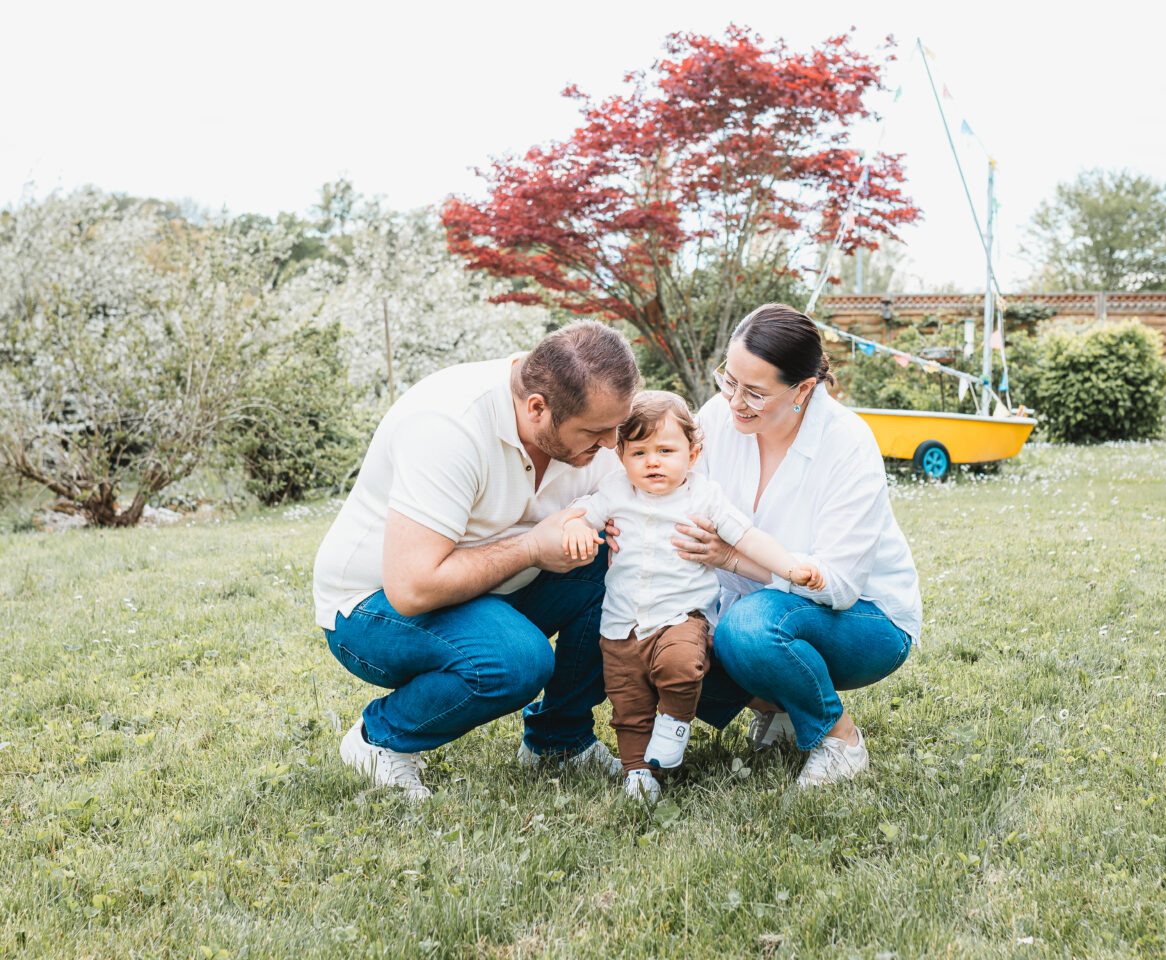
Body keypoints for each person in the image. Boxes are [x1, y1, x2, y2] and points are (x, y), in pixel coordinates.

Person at [312, 321, 640, 801]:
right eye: (595, 432)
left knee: (615, 556)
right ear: (537, 409)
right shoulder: (448, 424)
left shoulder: (588, 422)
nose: (611, 444)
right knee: (517, 660)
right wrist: (532, 548)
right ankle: (379, 738)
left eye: (617, 427)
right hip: (372, 607)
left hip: (493, 589)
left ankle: (560, 739)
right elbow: (412, 588)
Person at [674, 303, 922, 789]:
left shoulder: (847, 442)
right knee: (661, 636)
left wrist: (732, 559)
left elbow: (839, 585)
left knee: (747, 629)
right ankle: (782, 707)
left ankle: (839, 738)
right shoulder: (716, 419)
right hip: (751, 608)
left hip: (865, 620)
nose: (735, 401)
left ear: (803, 389)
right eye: (728, 380)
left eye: (754, 392)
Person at [560, 391, 823, 802]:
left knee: (682, 666)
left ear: (693, 454)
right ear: (621, 457)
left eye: (666, 451)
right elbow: (581, 513)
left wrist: (789, 566)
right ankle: (638, 773)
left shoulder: (704, 496)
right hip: (621, 626)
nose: (652, 462)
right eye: (639, 452)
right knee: (628, 706)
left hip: (681, 617)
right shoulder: (615, 491)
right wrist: (577, 526)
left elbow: (746, 536)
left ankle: (674, 722)